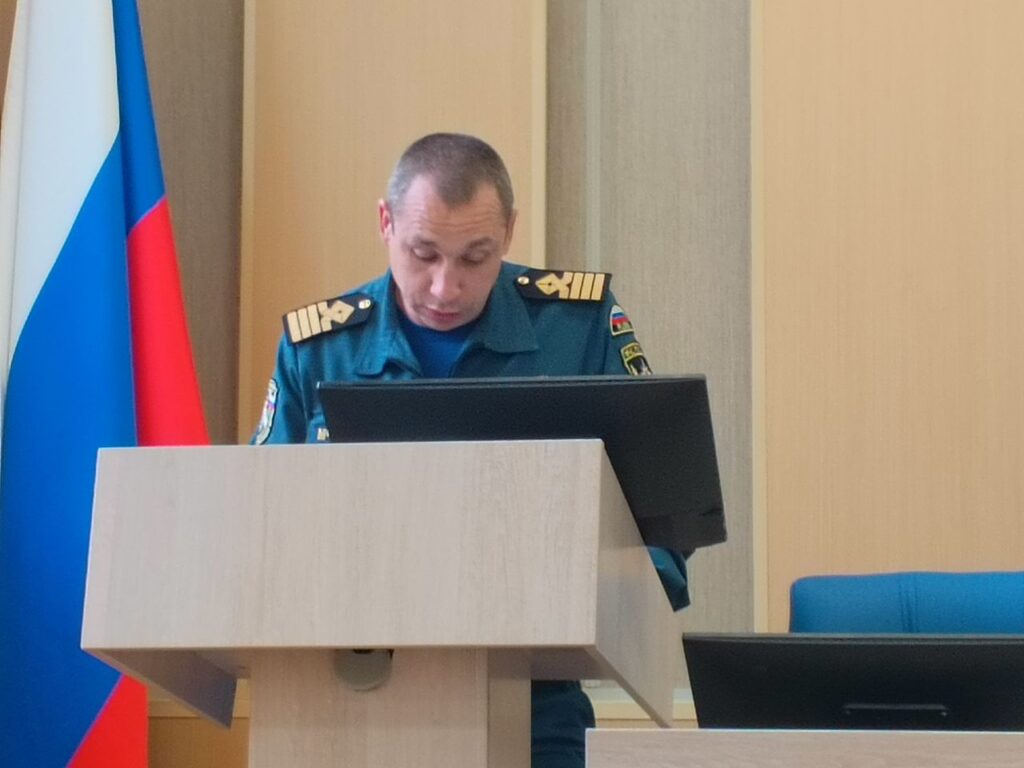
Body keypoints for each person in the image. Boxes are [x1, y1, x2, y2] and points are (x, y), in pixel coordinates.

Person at [252, 132, 688, 768]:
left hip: (530, 703)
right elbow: (262, 533)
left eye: (474, 258)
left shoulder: (578, 327)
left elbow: (659, 521)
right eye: (423, 253)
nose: (444, 287)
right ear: (385, 223)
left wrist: (602, 597)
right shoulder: (318, 347)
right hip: (347, 698)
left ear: (508, 232)